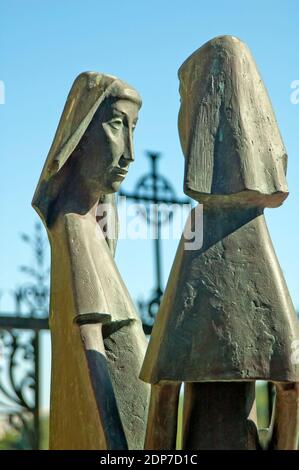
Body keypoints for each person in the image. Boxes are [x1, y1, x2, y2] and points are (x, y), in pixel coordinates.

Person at [140, 36, 299, 450]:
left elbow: (164, 391)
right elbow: (291, 385)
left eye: (183, 100)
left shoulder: (204, 231)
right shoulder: (253, 232)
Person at [32, 72, 149, 449]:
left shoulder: (93, 232)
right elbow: (89, 351)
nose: (130, 151)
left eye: (134, 128)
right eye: (117, 125)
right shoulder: (74, 229)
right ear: (80, 137)